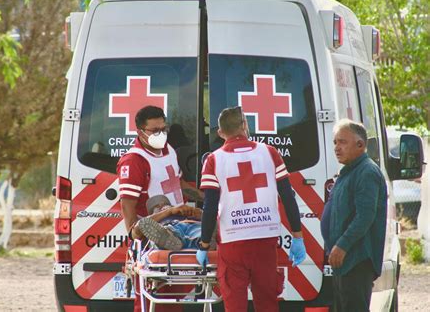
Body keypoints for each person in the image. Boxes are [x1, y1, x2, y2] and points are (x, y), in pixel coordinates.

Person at [196, 106, 306, 312]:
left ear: (220, 133)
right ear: (244, 125)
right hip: (265, 240)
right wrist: (297, 236)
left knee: (234, 305)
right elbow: (288, 197)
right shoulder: (270, 153)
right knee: (267, 303)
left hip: (232, 243)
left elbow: (210, 207)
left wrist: (203, 244)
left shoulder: (213, 160)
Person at [117, 105, 203, 312]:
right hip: (151, 231)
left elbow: (177, 183)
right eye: (155, 131)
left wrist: (204, 197)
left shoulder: (169, 150)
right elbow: (127, 202)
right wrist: (134, 234)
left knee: (172, 297)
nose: (160, 134)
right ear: (140, 132)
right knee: (149, 299)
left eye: (163, 129)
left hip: (179, 222)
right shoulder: (135, 160)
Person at [321, 119, 387, 312]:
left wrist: (341, 245)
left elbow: (365, 216)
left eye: (342, 142)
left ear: (360, 144)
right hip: (344, 262)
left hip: (356, 259)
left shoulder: (366, 172)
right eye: (335, 142)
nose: (336, 147)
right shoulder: (349, 171)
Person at [131, 195, 213, 250]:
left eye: (165, 204)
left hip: (193, 224)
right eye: (158, 207)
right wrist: (168, 211)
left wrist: (197, 213)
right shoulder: (152, 225)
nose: (162, 206)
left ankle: (206, 240)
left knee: (201, 233)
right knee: (170, 232)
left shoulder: (181, 211)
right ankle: (170, 239)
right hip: (169, 228)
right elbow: (138, 229)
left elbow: (206, 217)